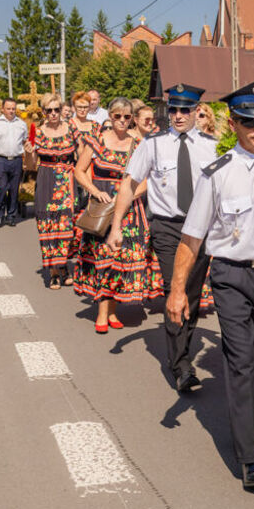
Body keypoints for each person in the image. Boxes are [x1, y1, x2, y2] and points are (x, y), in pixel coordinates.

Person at [166, 81, 254, 491]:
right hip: (231, 276)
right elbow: (192, 239)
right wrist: (177, 292)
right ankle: (250, 457)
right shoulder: (217, 174)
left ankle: (249, 432)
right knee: (241, 361)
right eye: (248, 122)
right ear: (233, 123)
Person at [109, 84, 217, 392]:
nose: (179, 116)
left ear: (197, 111)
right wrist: (117, 225)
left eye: (185, 110)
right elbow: (129, 185)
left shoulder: (213, 146)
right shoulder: (153, 144)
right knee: (175, 289)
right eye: (173, 110)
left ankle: (182, 346)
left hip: (201, 228)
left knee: (192, 296)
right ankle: (181, 364)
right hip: (168, 227)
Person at [73, 97, 162, 333]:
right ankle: (103, 313)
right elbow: (79, 172)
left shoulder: (139, 143)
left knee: (120, 261)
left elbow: (147, 178)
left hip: (130, 210)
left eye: (127, 117)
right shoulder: (97, 140)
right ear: (109, 117)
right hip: (102, 209)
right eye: (117, 116)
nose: (122, 121)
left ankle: (112, 310)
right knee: (104, 257)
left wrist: (127, 196)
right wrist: (95, 191)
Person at [27, 93, 78, 289]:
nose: (54, 113)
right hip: (46, 179)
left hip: (67, 180)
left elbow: (80, 154)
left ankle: (63, 264)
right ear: (43, 112)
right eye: (50, 110)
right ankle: (54, 272)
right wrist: (28, 152)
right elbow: (31, 166)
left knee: (66, 226)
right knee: (48, 225)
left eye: (57, 109)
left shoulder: (71, 128)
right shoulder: (37, 132)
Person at [0, 99, 28, 228]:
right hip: (1, 160)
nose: (11, 111)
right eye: (8, 108)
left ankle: (11, 215)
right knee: (2, 188)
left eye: (13, 108)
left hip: (17, 160)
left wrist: (27, 159)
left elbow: (25, 142)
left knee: (14, 190)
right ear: (3, 109)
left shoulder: (21, 124)